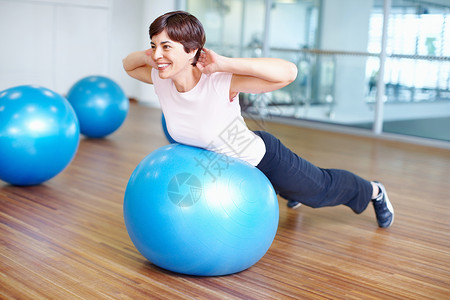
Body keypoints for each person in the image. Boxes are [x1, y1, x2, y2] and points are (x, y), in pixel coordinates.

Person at [123, 11, 394, 228]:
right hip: (221, 167)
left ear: (192, 51)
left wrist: (224, 64)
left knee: (320, 190)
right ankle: (290, 191)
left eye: (166, 46)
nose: (157, 55)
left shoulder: (219, 82)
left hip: (259, 158)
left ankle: (373, 191)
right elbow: (128, 64)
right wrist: (154, 55)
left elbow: (288, 73)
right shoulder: (161, 79)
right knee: (294, 188)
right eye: (153, 46)